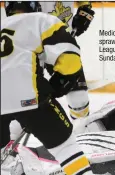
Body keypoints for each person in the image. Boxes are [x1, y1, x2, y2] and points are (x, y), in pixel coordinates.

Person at [0, 2, 105, 175]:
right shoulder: (43, 20)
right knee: (65, 146)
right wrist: (59, 82)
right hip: (30, 96)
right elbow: (70, 57)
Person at [1, 1, 95, 150]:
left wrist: (85, 9)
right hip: (27, 45)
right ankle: (12, 154)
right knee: (22, 102)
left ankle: (85, 146)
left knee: (79, 99)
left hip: (58, 44)